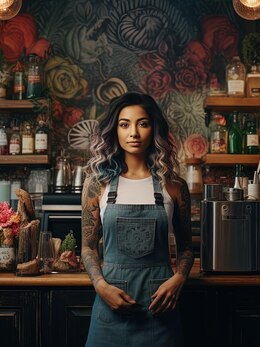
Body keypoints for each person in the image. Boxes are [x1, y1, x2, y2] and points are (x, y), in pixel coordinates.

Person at [81, 92, 194, 346]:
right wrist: (101, 287)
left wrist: (178, 279)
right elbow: (88, 247)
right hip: (109, 309)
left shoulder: (174, 186)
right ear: (115, 130)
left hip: (160, 313)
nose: (134, 132)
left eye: (142, 123)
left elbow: (187, 249)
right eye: (124, 124)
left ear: (153, 129)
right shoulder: (97, 184)